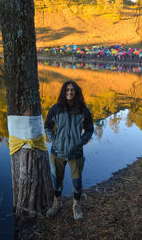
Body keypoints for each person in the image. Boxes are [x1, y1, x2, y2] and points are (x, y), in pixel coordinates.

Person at [44, 80, 94, 220]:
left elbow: (90, 130)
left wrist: (80, 142)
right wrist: (55, 141)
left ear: (76, 92)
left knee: (77, 182)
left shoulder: (83, 110)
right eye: (67, 90)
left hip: (76, 152)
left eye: (72, 90)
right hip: (57, 152)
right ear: (63, 92)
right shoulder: (56, 108)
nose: (70, 92)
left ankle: (76, 206)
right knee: (56, 181)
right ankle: (56, 203)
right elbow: (47, 126)